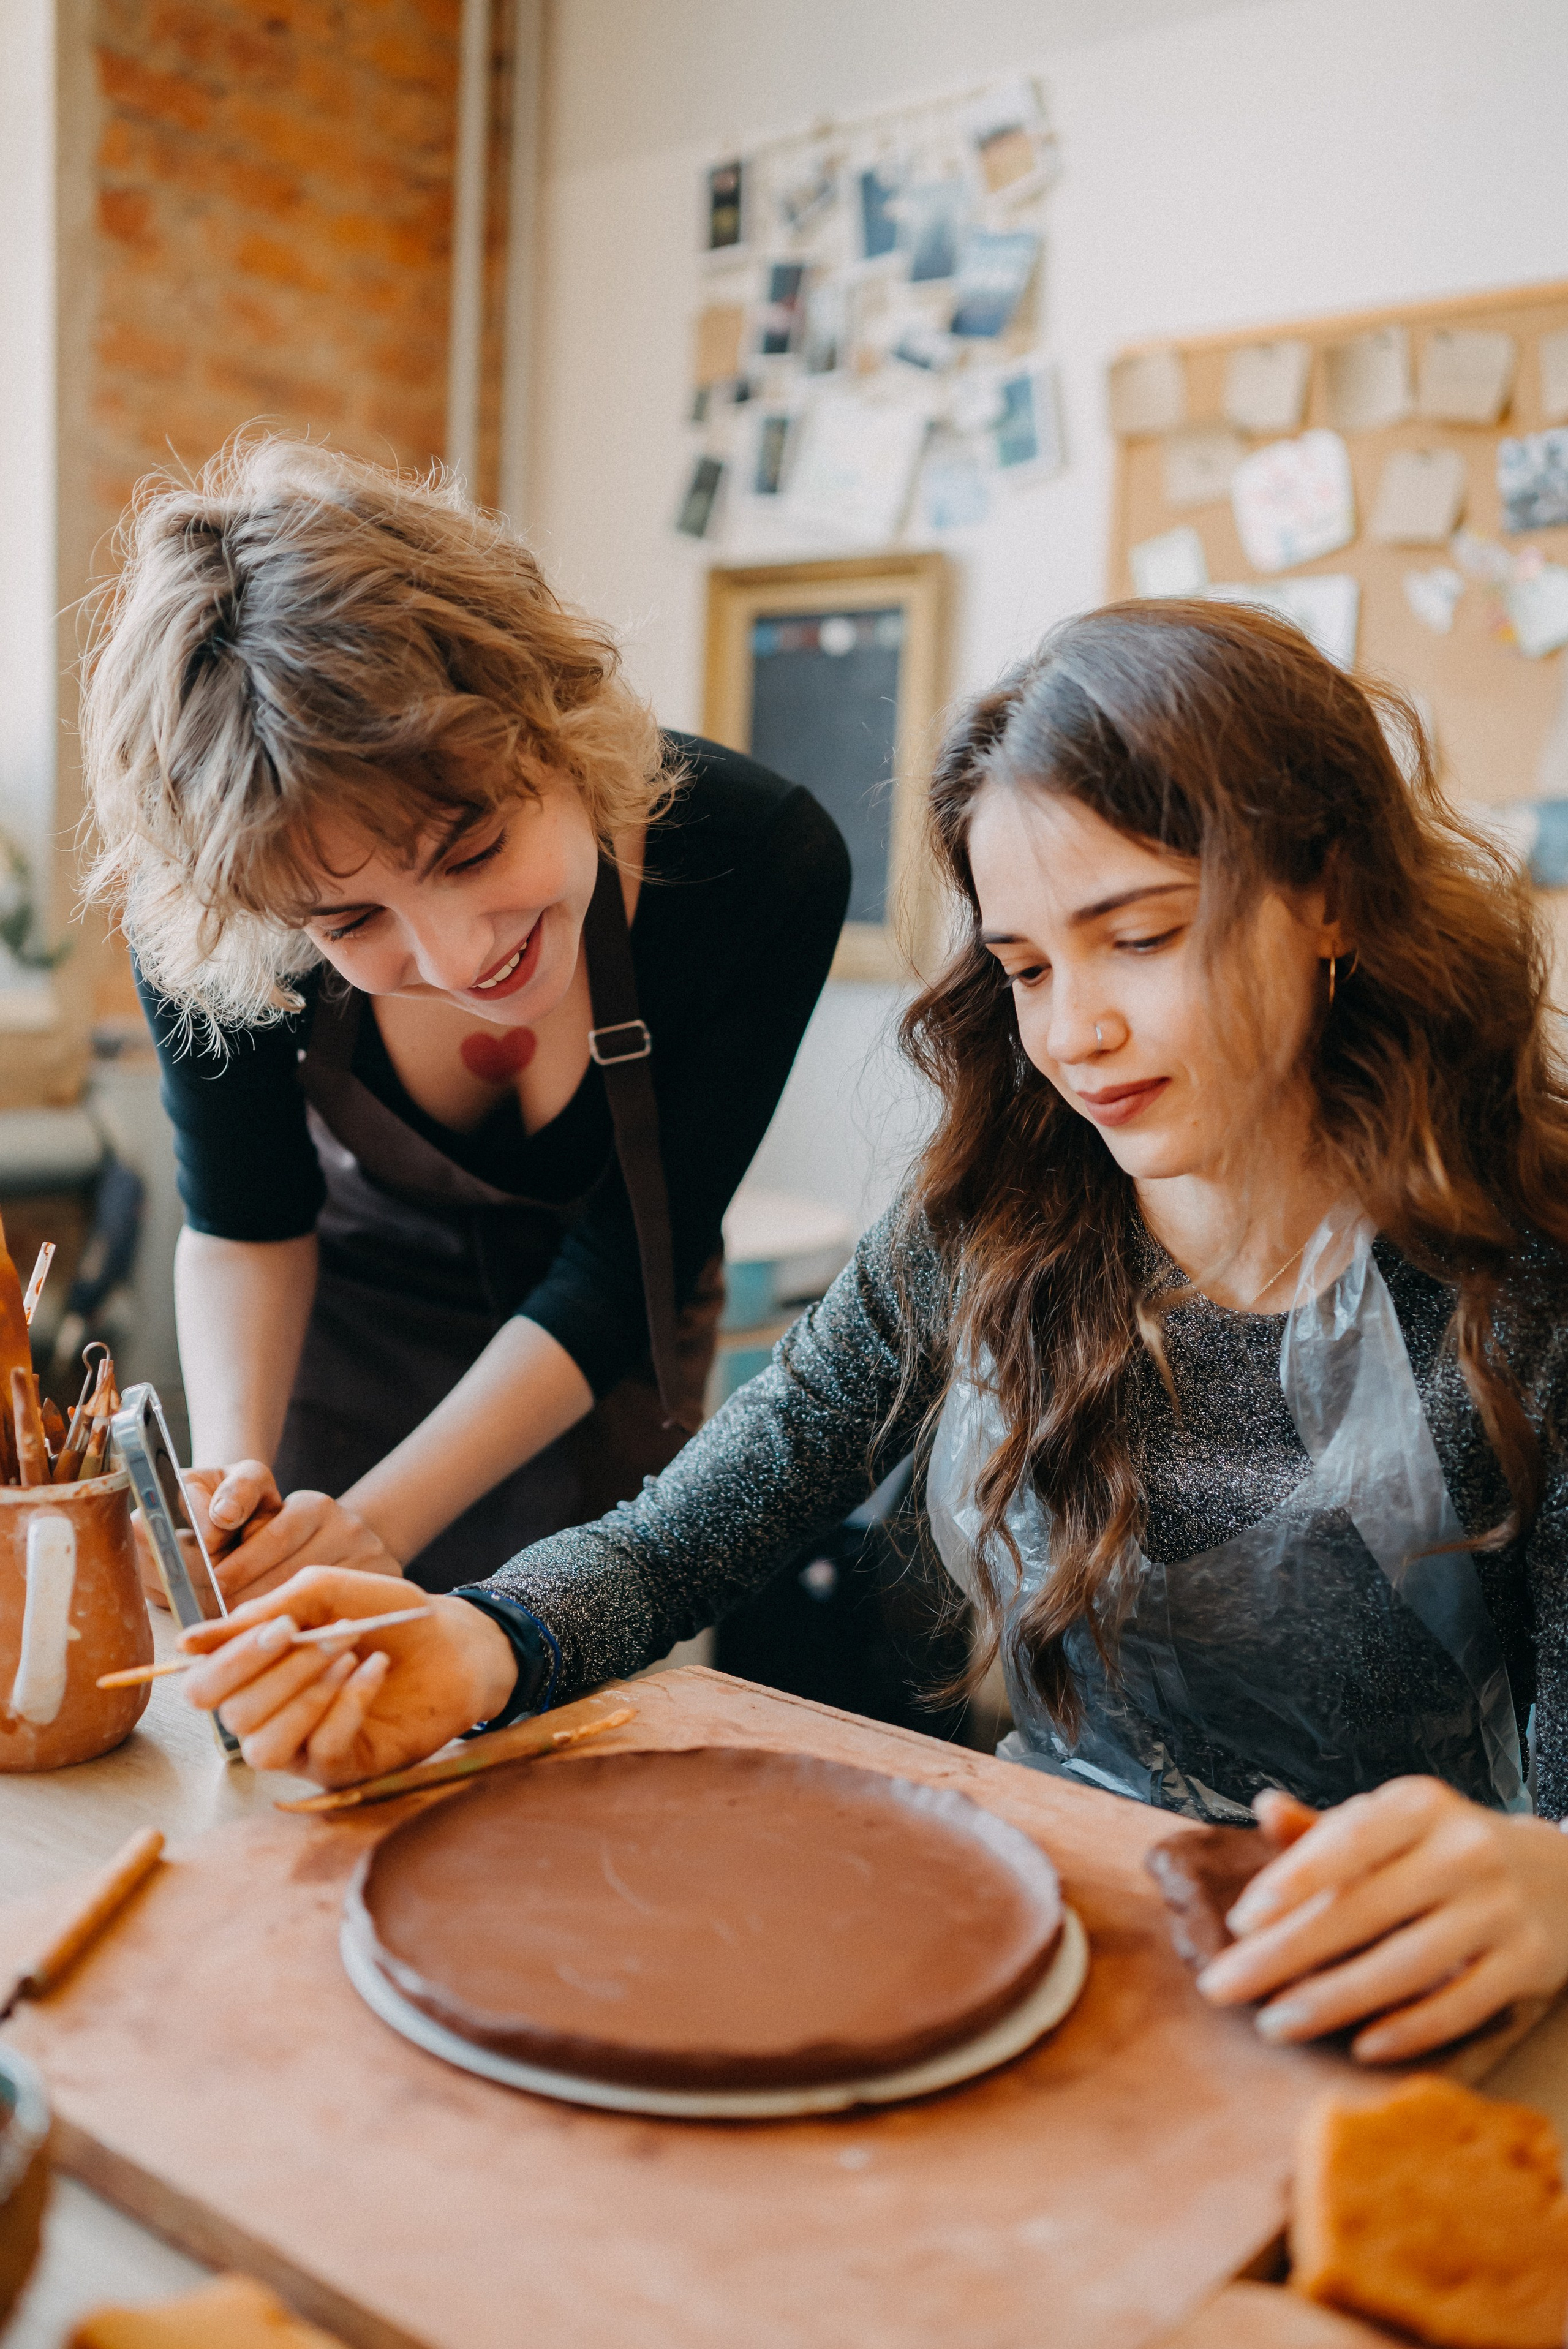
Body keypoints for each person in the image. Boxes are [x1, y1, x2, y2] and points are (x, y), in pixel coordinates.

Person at [178, 599, 1568, 2064]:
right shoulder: (995, 1211)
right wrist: (473, 1644)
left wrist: (1549, 1884)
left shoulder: (1522, 1286)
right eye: (1027, 968)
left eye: (1141, 936)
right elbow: (691, 1530)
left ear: (1330, 896)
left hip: (1399, 1986)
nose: (1074, 1031)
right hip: (1063, 1938)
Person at [81, 439, 848, 1591]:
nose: (455, 957)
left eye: (474, 849)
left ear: (555, 717)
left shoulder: (759, 860)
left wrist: (381, 1523)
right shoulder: (231, 908)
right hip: (340, 1337)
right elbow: (247, 1216)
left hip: (596, 1359)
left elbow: (619, 1264)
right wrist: (234, 1488)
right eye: (348, 925)